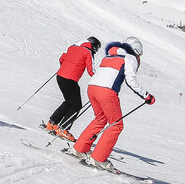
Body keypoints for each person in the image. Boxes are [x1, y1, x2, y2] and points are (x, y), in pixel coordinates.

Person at [72, 36, 154, 171]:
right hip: (106, 92)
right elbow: (131, 81)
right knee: (116, 125)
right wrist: (147, 96)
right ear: (137, 51)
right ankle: (98, 159)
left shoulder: (109, 56)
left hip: (92, 88)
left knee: (100, 119)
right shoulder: (130, 58)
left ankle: (79, 149)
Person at [45, 37, 101, 141]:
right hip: (70, 79)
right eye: (96, 49)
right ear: (94, 46)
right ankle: (63, 129)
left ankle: (52, 123)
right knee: (76, 105)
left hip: (60, 76)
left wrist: (66, 67)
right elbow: (91, 70)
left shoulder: (72, 47)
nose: (95, 52)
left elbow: (62, 59)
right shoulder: (88, 52)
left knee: (69, 101)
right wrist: (101, 80)